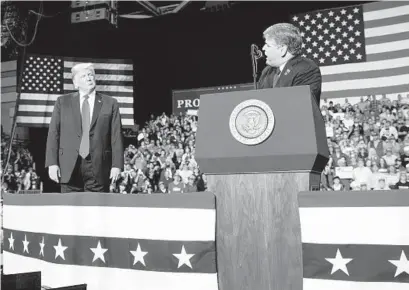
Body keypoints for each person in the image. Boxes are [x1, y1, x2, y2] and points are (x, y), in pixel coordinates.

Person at [45, 63, 124, 193]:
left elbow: (116, 137)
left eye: (90, 75)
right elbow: (54, 133)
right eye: (83, 76)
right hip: (70, 166)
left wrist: (117, 165)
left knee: (95, 211)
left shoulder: (110, 103)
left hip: (98, 167)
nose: (88, 78)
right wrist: (52, 163)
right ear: (75, 83)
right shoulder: (62, 102)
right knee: (70, 211)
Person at [257, 23, 322, 104]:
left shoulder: (307, 69)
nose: (263, 48)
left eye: (268, 45)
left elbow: (300, 104)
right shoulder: (266, 71)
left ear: (282, 50)